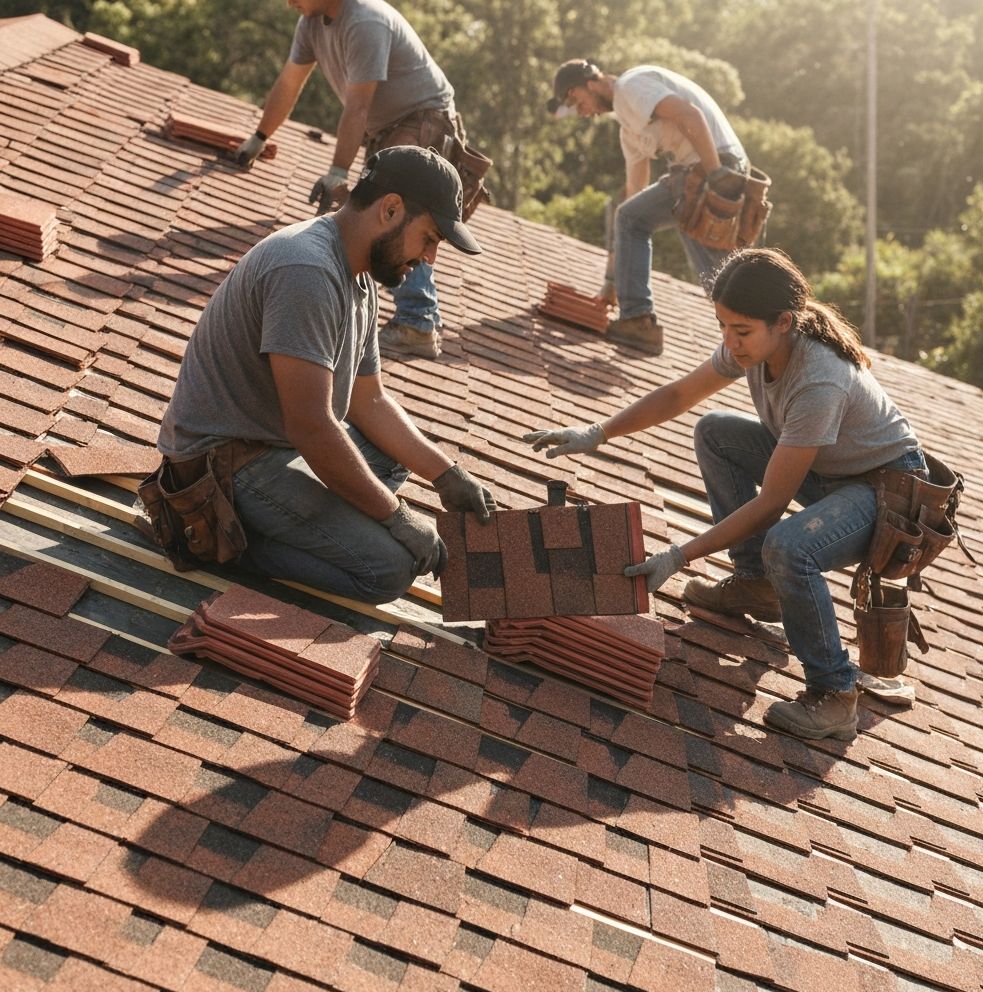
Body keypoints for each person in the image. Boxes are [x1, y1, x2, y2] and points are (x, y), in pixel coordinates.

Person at [524, 248, 922, 741]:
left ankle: (835, 694)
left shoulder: (819, 379)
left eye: (741, 331)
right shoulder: (757, 345)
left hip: (885, 493)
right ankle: (758, 584)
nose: (730, 344)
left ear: (784, 322)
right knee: (715, 431)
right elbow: (678, 396)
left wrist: (678, 556)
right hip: (833, 471)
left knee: (790, 546)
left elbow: (772, 504)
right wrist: (598, 432)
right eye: (723, 327)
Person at [157, 146, 495, 604]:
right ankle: (211, 536)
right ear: (390, 209)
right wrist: (395, 517)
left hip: (276, 449)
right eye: (430, 237)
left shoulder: (358, 276)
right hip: (225, 467)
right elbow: (312, 426)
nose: (430, 258)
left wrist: (446, 475)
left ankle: (326, 523)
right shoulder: (308, 270)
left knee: (395, 457)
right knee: (388, 570)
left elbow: (368, 402)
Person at [234, 0, 473, 358]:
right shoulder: (311, 23)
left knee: (402, 214)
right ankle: (414, 317)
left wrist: (338, 173)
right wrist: (260, 136)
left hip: (423, 120)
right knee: (380, 214)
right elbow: (290, 81)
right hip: (389, 126)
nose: (288, 1)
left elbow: (358, 105)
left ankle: (417, 322)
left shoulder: (365, 20)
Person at [547, 59, 749, 355]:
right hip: (703, 171)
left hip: (713, 167)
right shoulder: (629, 132)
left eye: (578, 101)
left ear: (591, 83)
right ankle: (752, 330)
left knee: (716, 277)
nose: (583, 112)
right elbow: (631, 202)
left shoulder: (631, 86)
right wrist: (611, 283)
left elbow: (688, 114)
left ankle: (639, 321)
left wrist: (715, 175)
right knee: (715, 274)